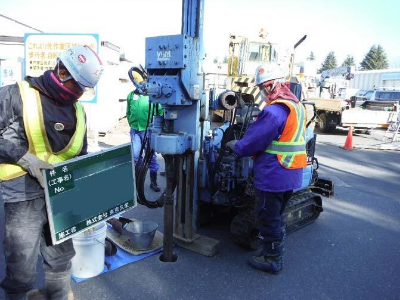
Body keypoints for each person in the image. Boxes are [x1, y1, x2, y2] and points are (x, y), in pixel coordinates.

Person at [0, 45, 104, 299]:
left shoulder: (78, 110)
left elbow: (80, 155)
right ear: (62, 71)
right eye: (77, 85)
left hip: (60, 195)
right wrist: (24, 159)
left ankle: (56, 295)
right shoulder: (15, 95)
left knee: (60, 255)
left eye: (84, 88)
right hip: (22, 193)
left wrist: (86, 206)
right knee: (21, 261)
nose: (78, 93)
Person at [226, 63, 307, 273]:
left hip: (274, 174)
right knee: (276, 215)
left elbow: (254, 141)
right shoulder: (296, 106)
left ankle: (272, 259)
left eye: (263, 87)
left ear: (272, 86)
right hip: (290, 172)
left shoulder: (274, 112)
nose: (262, 92)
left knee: (267, 217)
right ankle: (272, 253)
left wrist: (238, 147)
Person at [126, 69, 163, 192]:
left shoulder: (152, 96)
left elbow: (160, 112)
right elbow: (128, 112)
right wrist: (131, 123)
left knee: (151, 157)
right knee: (136, 156)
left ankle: (153, 182)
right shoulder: (131, 95)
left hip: (148, 130)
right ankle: (138, 180)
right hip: (135, 130)